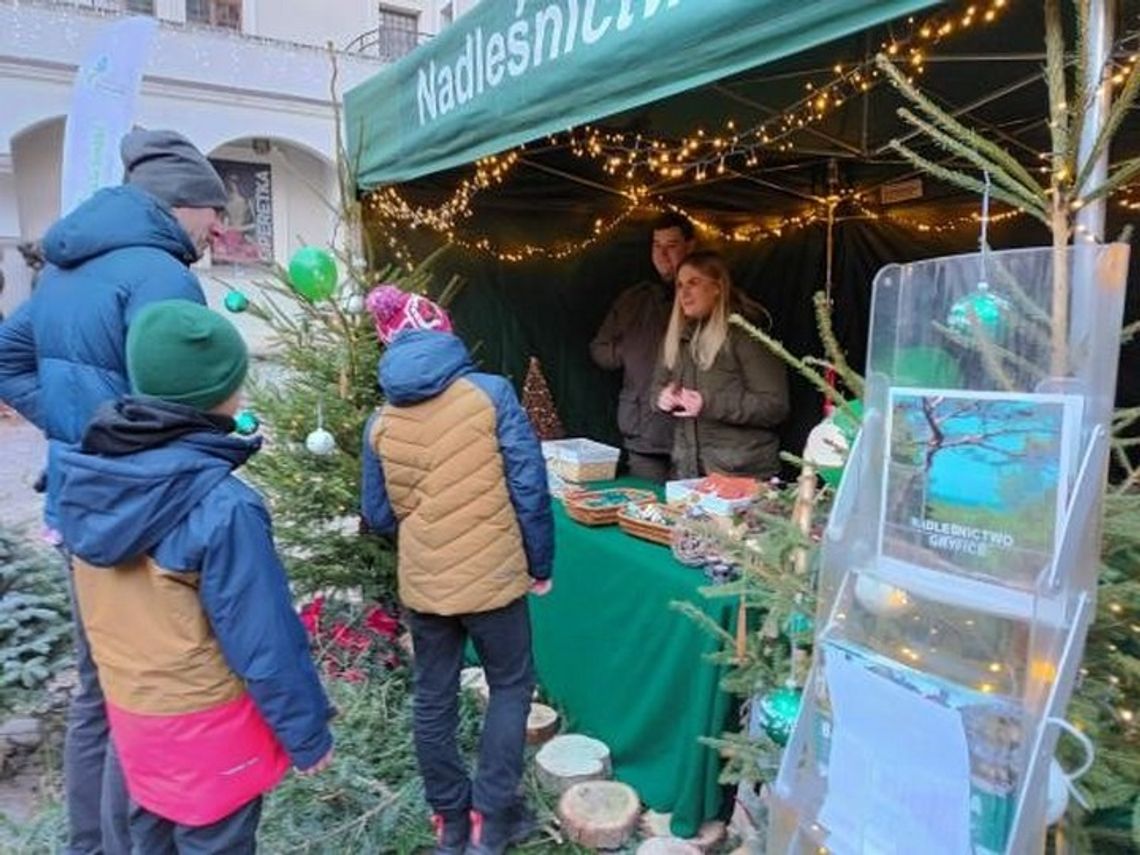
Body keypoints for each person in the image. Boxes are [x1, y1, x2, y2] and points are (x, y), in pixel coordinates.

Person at [0, 128, 227, 855]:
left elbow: (8, 361)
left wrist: (77, 429)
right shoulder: (162, 274)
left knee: (101, 687)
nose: (217, 226)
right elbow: (178, 396)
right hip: (143, 511)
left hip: (77, 496)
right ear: (178, 206)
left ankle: (89, 843)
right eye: (210, 209)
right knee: (150, 688)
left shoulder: (65, 267)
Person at [56, 300, 334, 852]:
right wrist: (307, 734)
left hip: (134, 721)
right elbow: (265, 641)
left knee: (147, 838)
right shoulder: (224, 507)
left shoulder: (86, 478)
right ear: (223, 394)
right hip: (209, 732)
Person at [360, 285, 554, 855]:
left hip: (425, 585)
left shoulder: (380, 420)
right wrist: (539, 563)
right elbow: (529, 484)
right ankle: (492, 822)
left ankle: (450, 822)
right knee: (512, 685)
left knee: (433, 696)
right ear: (445, 331)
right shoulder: (490, 394)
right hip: (495, 577)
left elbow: (376, 513)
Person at [654, 251, 790, 479]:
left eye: (693, 283)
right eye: (679, 285)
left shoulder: (746, 334)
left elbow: (775, 405)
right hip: (689, 472)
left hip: (741, 473)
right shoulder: (677, 337)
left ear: (717, 288)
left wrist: (709, 403)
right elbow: (655, 388)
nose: (684, 293)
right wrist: (663, 398)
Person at [590, 211, 696, 482]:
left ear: (690, 246)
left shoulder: (703, 298)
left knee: (688, 517)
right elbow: (599, 348)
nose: (662, 254)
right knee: (645, 512)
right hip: (643, 432)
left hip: (696, 437)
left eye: (671, 246)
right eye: (656, 246)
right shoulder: (634, 300)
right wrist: (627, 353)